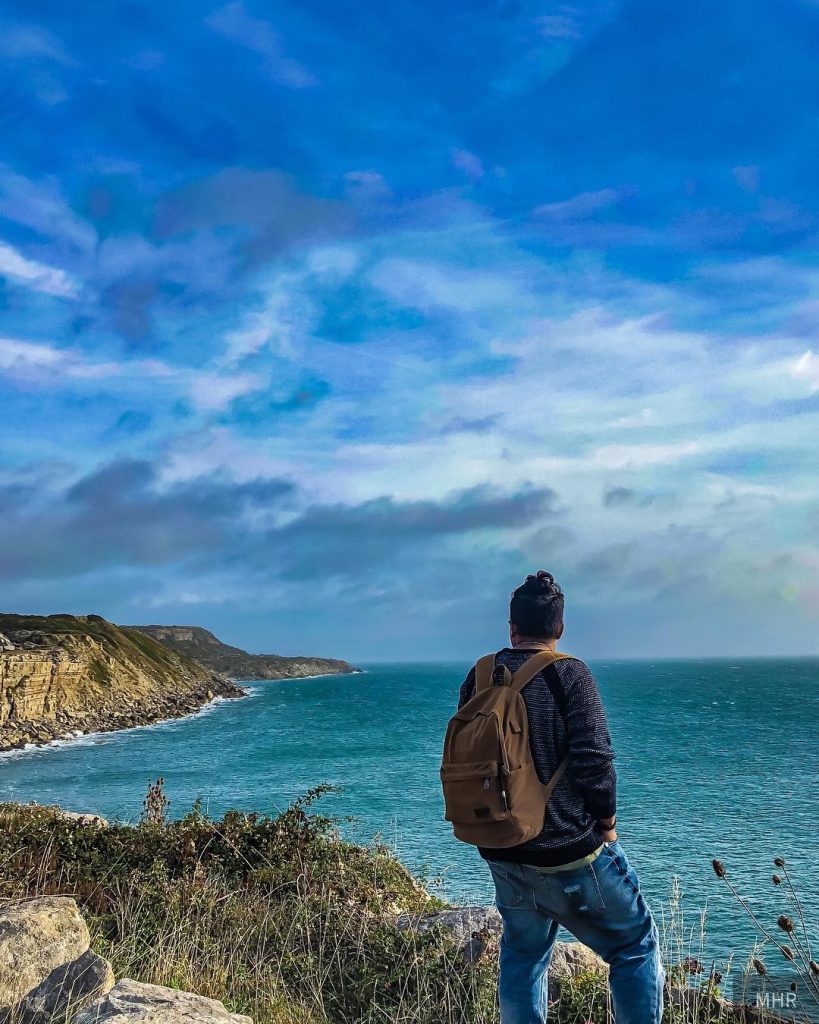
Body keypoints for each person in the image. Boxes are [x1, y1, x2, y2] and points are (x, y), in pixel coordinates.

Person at [456, 570, 664, 1024]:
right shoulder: (569, 673)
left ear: (512, 627)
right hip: (568, 849)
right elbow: (595, 759)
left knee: (524, 953)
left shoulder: (480, 675)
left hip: (501, 845)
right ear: (560, 627)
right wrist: (607, 824)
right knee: (634, 946)